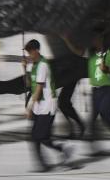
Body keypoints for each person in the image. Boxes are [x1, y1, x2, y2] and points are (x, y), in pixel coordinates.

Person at [23, 39, 72, 172]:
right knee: (37, 137)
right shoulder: (33, 65)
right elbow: (28, 84)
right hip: (39, 105)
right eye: (27, 52)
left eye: (30, 52)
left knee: (40, 137)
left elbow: (38, 89)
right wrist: (25, 68)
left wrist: (29, 108)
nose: (28, 54)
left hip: (47, 105)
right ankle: (43, 165)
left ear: (36, 50)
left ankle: (62, 150)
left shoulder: (43, 65)